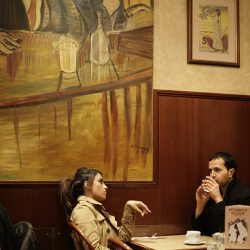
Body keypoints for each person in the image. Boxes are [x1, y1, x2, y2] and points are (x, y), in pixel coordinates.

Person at [60, 167, 151, 249]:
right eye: (100, 181)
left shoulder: (95, 209)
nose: (106, 187)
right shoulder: (83, 211)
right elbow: (94, 248)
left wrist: (129, 209)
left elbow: (122, 238)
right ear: (87, 185)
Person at [191, 152, 250, 236]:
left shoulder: (244, 195)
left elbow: (235, 235)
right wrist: (200, 205)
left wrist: (218, 199)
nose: (212, 175)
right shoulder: (211, 195)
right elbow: (197, 232)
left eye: (217, 170)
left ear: (231, 172)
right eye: (210, 170)